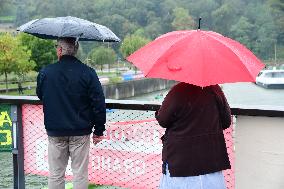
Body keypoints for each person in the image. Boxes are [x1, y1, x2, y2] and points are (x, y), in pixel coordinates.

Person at [36, 37, 106, 189]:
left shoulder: (46, 73)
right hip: (80, 131)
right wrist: (98, 130)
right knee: (80, 174)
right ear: (76, 51)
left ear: (59, 50)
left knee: (55, 174)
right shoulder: (88, 73)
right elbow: (98, 103)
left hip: (55, 131)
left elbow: (41, 95)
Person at [156, 82, 231, 189]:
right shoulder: (214, 89)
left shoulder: (178, 90)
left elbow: (163, 120)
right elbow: (226, 121)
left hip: (181, 160)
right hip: (210, 159)